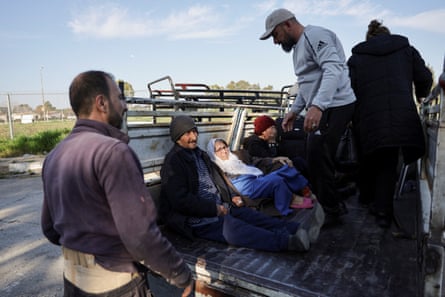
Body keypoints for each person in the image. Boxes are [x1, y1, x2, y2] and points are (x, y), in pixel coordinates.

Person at [41, 71, 193, 297]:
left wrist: (83, 247)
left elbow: (50, 229)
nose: (125, 106)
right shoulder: (114, 152)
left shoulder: (54, 155)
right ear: (101, 103)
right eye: (120, 98)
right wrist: (181, 274)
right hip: (116, 286)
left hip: (73, 282)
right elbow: (140, 237)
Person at [160, 115, 320, 252]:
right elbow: (180, 200)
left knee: (252, 216)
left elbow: (219, 180)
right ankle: (288, 242)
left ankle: (296, 229)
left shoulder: (200, 155)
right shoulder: (173, 163)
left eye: (194, 131)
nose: (194, 136)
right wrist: (212, 209)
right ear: (177, 136)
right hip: (200, 219)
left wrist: (232, 197)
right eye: (187, 133)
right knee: (241, 231)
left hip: (222, 206)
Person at [260, 8, 356, 222]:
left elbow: (333, 68)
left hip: (337, 104)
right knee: (315, 155)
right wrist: (294, 111)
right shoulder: (297, 49)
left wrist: (319, 106)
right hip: (325, 106)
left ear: (287, 24)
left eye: (275, 34)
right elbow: (306, 85)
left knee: (318, 154)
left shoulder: (315, 36)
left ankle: (332, 211)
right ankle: (333, 202)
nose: (275, 42)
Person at [347, 20, 433, 228]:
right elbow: (424, 77)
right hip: (400, 116)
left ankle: (366, 198)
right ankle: (383, 212)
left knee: (367, 156)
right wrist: (421, 95)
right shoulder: (407, 51)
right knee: (388, 161)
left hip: (367, 117)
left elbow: (348, 89)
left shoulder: (357, 58)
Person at [207, 138, 314, 215]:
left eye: (224, 147)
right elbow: (220, 186)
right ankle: (283, 209)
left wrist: (273, 159)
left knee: (284, 168)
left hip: (253, 178)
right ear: (213, 153)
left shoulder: (236, 156)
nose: (224, 151)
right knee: (276, 180)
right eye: (219, 150)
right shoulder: (216, 166)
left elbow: (255, 160)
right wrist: (233, 197)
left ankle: (304, 190)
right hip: (243, 186)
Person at [243, 115, 309, 178]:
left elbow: (280, 153)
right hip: (263, 170)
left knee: (299, 161)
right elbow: (268, 158)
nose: (275, 130)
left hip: (273, 166)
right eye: (272, 128)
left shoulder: (267, 140)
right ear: (263, 131)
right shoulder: (253, 143)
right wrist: (272, 143)